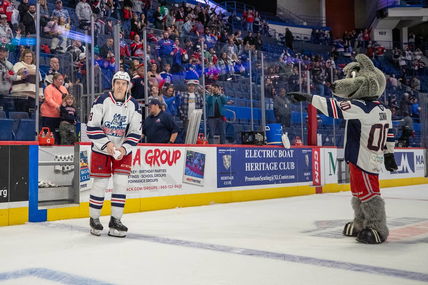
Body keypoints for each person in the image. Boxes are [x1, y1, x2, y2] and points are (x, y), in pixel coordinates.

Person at [87, 71, 141, 238]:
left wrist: (124, 148)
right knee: (100, 184)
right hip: (101, 148)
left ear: (127, 87)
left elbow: (135, 131)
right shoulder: (102, 100)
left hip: (122, 151)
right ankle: (94, 219)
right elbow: (91, 126)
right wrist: (108, 144)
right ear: (113, 84)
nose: (120, 86)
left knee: (121, 183)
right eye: (117, 82)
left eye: (123, 84)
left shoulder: (134, 105)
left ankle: (115, 220)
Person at [11, 49, 43, 113]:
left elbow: (39, 83)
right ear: (23, 57)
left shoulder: (36, 68)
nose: (28, 58)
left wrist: (41, 94)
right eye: (26, 56)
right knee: (20, 114)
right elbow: (12, 77)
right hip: (19, 96)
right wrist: (21, 75)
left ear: (32, 58)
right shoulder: (18, 65)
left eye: (30, 56)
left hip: (32, 97)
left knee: (31, 117)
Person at [40, 73, 68, 143]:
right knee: (48, 134)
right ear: (54, 80)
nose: (61, 81)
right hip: (48, 115)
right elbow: (48, 99)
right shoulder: (48, 88)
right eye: (59, 79)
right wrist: (57, 106)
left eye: (62, 80)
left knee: (58, 134)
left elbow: (67, 98)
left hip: (59, 115)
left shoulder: (64, 88)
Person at [0, 46, 16, 112]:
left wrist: (9, 76)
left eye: (3, 52)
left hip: (5, 93)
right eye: (0, 51)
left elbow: (14, 77)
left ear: (6, 53)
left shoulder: (9, 65)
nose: (1, 53)